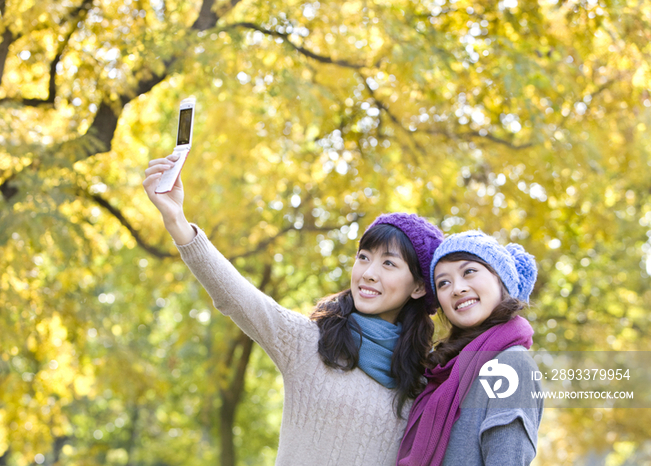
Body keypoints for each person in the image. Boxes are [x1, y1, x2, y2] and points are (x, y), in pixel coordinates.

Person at [143, 153, 444, 466]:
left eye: (389, 263)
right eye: (364, 257)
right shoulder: (309, 342)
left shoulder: (423, 385)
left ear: (420, 287)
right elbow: (236, 295)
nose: (368, 273)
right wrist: (176, 220)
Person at [397, 231, 544, 466]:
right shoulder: (442, 372)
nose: (457, 289)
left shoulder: (510, 365)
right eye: (443, 283)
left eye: (469, 272)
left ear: (500, 279)